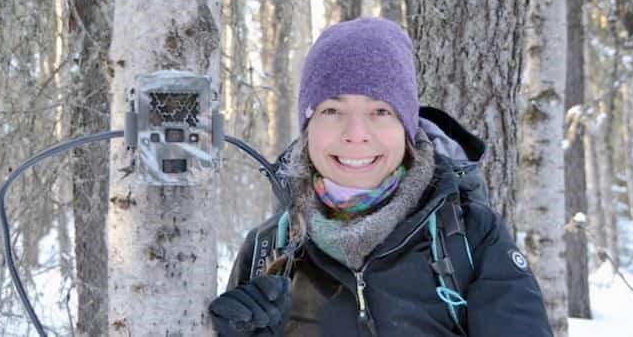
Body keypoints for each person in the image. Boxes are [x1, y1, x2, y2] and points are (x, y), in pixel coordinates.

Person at [209, 17, 553, 337]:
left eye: (380, 111)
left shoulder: (472, 238)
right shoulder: (266, 249)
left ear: (406, 126)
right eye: (332, 110)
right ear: (307, 126)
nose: (356, 133)